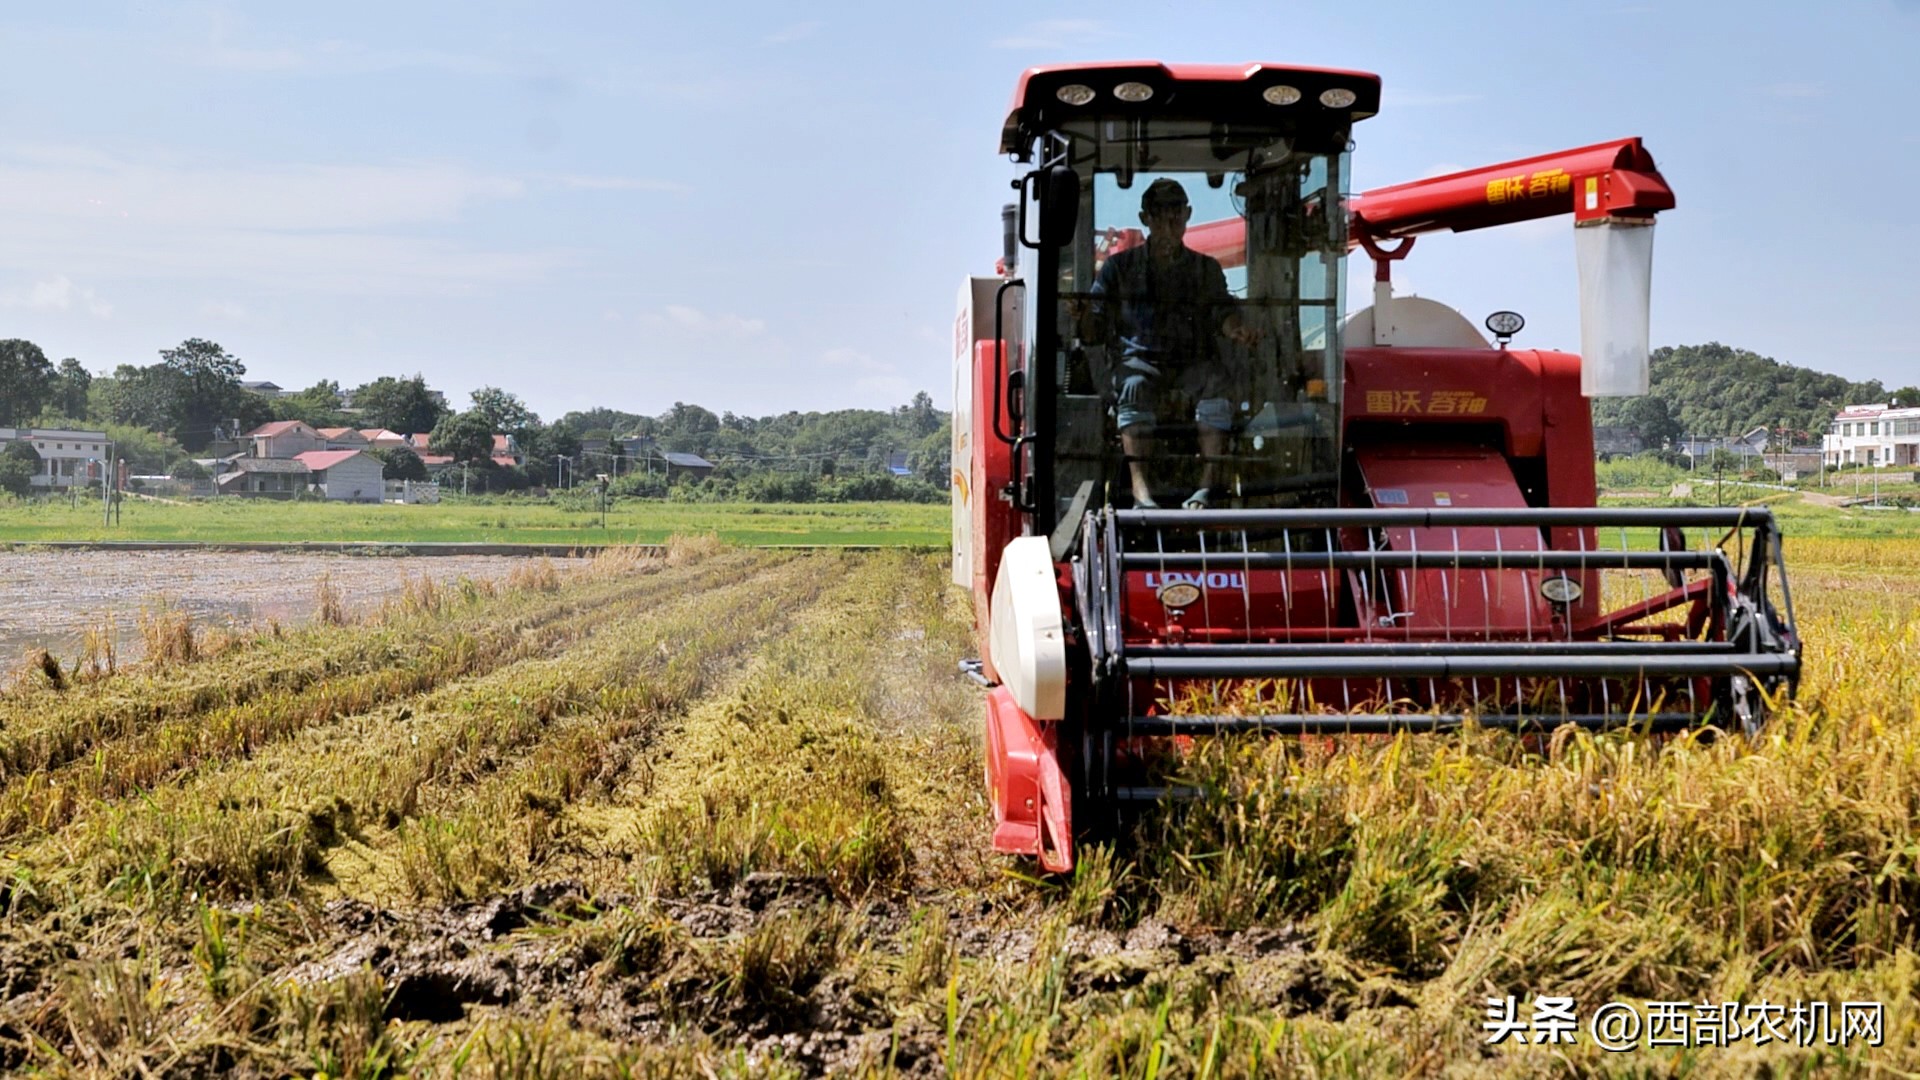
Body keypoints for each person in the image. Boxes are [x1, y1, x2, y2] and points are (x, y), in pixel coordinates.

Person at [1085, 178, 1255, 509]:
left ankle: (1205, 488)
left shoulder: (1206, 269)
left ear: (1188, 215)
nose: (1168, 223)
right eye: (1159, 214)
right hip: (1139, 363)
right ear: (1144, 217)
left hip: (1192, 364)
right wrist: (1082, 315)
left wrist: (1236, 329)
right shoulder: (1118, 268)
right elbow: (1094, 319)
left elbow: (1222, 310)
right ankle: (1140, 492)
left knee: (1217, 382)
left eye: (1176, 214)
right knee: (1132, 385)